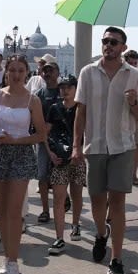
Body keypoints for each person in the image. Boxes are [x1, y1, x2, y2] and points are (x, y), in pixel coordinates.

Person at [73, 27, 138, 274]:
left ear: (123, 47)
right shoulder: (87, 72)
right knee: (96, 198)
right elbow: (80, 112)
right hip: (95, 145)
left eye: (113, 42)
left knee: (117, 202)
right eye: (105, 41)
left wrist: (135, 102)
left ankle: (116, 258)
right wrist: (75, 146)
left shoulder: (134, 75)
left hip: (122, 146)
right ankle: (101, 233)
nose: (108, 45)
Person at [0, 54, 47, 274]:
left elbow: (41, 134)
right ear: (6, 72)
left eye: (20, 71)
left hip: (21, 153)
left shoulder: (32, 100)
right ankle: (6, 258)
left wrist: (15, 140)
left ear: (27, 73)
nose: (16, 75)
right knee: (2, 211)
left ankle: (14, 261)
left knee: (15, 212)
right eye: (12, 70)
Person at [45, 75, 85, 253]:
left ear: (76, 88)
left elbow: (88, 131)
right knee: (59, 198)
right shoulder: (54, 108)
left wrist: (82, 150)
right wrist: (50, 153)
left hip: (77, 158)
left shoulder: (81, 107)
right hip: (59, 159)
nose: (65, 90)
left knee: (77, 194)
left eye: (69, 87)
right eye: (62, 87)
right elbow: (45, 133)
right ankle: (59, 237)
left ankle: (75, 224)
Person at [34, 57, 62, 224]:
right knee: (42, 176)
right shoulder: (39, 95)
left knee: (62, 175)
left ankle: (63, 202)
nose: (47, 73)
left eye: (51, 70)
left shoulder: (64, 91)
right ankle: (45, 210)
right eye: (44, 70)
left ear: (58, 73)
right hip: (43, 141)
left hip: (62, 140)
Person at [124, 49, 138, 187]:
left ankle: (133, 174)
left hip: (135, 114)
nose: (132, 65)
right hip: (121, 115)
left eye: (135, 63)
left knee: (137, 145)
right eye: (130, 62)